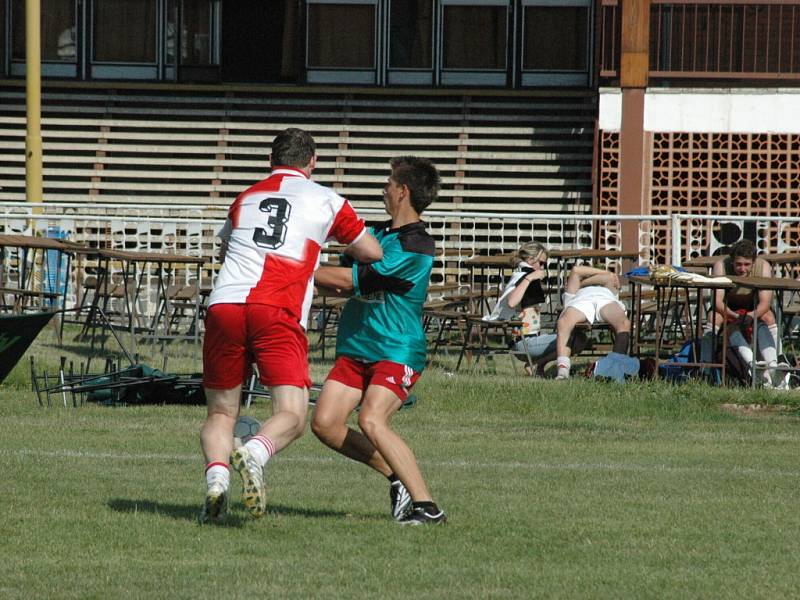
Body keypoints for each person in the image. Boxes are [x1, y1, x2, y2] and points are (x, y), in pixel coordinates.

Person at [199, 128, 383, 523]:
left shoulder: (246, 196)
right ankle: (255, 452)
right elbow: (372, 251)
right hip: (276, 306)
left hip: (225, 304)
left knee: (220, 415)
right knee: (294, 414)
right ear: (312, 162)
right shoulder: (326, 199)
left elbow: (226, 246)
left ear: (271, 161)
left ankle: (217, 483)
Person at [310, 156, 446, 525]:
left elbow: (346, 281)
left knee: (372, 419)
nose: (383, 188)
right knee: (325, 424)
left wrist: (287, 264)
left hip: (396, 349)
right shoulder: (376, 235)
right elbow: (331, 275)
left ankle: (428, 506)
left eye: (388, 183)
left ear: (402, 191)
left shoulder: (418, 245)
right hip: (357, 347)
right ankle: (397, 479)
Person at [483, 242, 587, 376]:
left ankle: (538, 364)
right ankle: (536, 365)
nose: (542, 267)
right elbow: (511, 302)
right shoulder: (522, 276)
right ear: (530, 260)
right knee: (576, 339)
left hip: (532, 340)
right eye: (541, 263)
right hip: (524, 344)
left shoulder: (522, 276)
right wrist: (530, 277)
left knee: (579, 338)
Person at [709, 239, 779, 385]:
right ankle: (705, 366)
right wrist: (734, 316)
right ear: (732, 261)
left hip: (752, 306)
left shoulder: (763, 267)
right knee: (713, 318)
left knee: (768, 317)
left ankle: (776, 364)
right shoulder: (721, 266)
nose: (742, 269)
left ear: (753, 262)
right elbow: (717, 302)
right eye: (738, 264)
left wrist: (750, 316)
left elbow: (765, 303)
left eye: (747, 264)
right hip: (728, 307)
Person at [554, 265, 631, 380]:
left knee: (624, 323)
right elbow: (576, 270)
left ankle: (616, 367)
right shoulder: (573, 291)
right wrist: (594, 277)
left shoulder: (604, 283)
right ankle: (563, 370)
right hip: (580, 301)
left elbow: (608, 277)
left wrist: (583, 282)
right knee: (564, 321)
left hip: (606, 300)